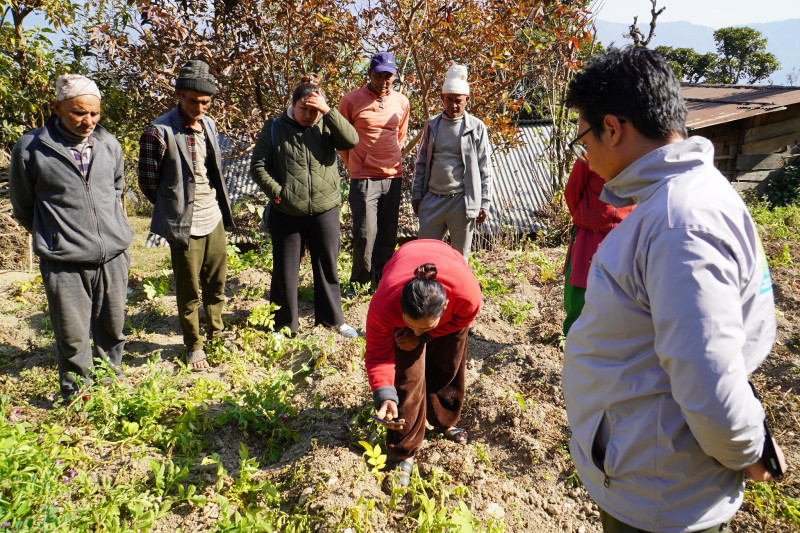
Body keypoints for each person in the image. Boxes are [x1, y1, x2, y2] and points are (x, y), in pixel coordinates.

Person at [562, 46, 785, 532]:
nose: (586, 154)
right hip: (650, 465)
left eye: (584, 138)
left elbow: (708, 376)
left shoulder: (678, 224)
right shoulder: (682, 200)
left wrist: (748, 451)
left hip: (659, 494)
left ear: (614, 128)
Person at [9, 74, 134, 402]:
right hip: (64, 260)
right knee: (73, 336)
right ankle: (77, 396)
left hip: (113, 255)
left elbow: (116, 189)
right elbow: (24, 206)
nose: (88, 121)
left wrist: (114, 229)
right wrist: (55, 235)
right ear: (57, 108)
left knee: (113, 328)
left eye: (94, 113)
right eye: (79, 112)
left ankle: (111, 385)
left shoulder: (109, 144)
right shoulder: (31, 148)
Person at [138, 59, 234, 371]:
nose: (200, 107)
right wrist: (174, 208)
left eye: (206, 102)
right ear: (178, 94)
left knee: (216, 284)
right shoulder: (158, 131)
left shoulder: (209, 124)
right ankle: (194, 345)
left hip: (213, 215)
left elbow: (211, 171)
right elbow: (148, 182)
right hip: (184, 224)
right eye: (194, 101)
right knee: (189, 289)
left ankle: (217, 335)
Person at [364, 239, 482, 487]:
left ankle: (444, 420)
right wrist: (384, 395)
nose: (415, 332)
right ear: (401, 309)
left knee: (448, 361)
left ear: (446, 306)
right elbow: (378, 355)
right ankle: (405, 450)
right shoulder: (385, 303)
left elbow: (463, 319)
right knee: (407, 377)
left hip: (450, 302)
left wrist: (424, 336)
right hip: (405, 269)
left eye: (423, 327)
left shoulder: (465, 296)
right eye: (410, 324)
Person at [249, 74, 360, 337]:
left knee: (327, 267)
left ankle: (332, 321)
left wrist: (328, 111)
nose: (309, 115)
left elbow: (351, 140)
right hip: (287, 211)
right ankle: (283, 325)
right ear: (292, 105)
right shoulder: (275, 127)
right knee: (285, 272)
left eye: (314, 110)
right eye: (304, 109)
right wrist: (279, 195)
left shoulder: (325, 124)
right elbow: (258, 166)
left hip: (325, 209)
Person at [339, 51, 410, 291]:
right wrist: (355, 167)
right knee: (365, 233)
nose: (384, 81)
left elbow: (400, 136)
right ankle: (359, 283)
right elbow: (342, 140)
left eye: (389, 76)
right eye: (380, 75)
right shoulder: (350, 100)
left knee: (388, 235)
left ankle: (381, 284)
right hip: (363, 178)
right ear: (370, 73)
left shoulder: (402, 101)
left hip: (393, 176)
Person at [412, 64, 493, 259]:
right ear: (442, 98)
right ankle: (427, 290)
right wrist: (417, 195)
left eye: (458, 101)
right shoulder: (432, 125)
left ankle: (456, 291)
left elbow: (485, 167)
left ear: (467, 100)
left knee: (459, 257)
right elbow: (421, 162)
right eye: (449, 100)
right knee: (425, 255)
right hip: (433, 199)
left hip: (461, 201)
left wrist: (484, 203)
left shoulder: (476, 127)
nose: (453, 105)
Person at [561, 159, 634, 336]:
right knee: (580, 285)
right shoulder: (591, 152)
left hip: (624, 232)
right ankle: (572, 335)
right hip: (589, 231)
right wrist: (585, 217)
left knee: (620, 290)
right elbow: (572, 192)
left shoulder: (639, 152)